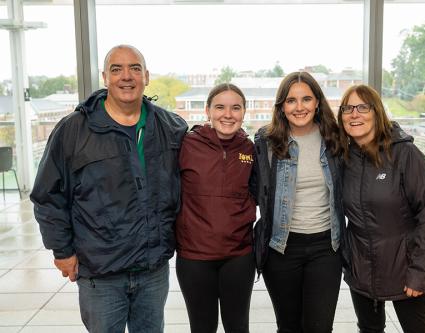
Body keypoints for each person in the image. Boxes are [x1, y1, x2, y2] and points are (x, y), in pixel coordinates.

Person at [30, 45, 187, 333]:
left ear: (147, 76)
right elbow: (47, 196)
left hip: (152, 271)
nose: (126, 76)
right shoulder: (74, 130)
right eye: (117, 69)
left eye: (135, 68)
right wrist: (62, 250)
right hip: (100, 273)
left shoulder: (170, 128)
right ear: (105, 77)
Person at [337, 84, 425, 333]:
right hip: (361, 269)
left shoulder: (406, 154)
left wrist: (420, 272)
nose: (355, 114)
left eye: (363, 107)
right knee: (369, 329)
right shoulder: (343, 157)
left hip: (404, 268)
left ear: (377, 112)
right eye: (348, 108)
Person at [253, 71, 346, 333]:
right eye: (291, 100)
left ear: (317, 102)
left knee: (319, 327)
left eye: (306, 99)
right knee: (288, 327)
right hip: (282, 248)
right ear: (282, 105)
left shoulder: (336, 137)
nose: (299, 107)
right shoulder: (266, 141)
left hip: (326, 247)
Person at [175, 83, 257, 333]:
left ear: (244, 112)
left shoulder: (250, 149)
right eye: (220, 107)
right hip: (195, 257)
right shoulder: (186, 145)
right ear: (207, 110)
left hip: (239, 256)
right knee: (202, 327)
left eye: (235, 108)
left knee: (238, 326)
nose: (228, 114)